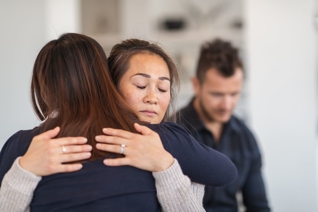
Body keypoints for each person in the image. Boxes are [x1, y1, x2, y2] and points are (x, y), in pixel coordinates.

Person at [0, 34, 237, 211]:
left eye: (163, 88)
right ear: (109, 85)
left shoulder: (22, 145)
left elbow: (225, 172)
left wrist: (166, 164)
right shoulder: (158, 137)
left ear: (42, 89)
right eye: (140, 85)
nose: (152, 97)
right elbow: (224, 173)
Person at [176, 39, 271, 211]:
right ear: (196, 85)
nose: (227, 105)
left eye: (234, 94)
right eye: (217, 94)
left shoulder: (245, 137)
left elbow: (259, 206)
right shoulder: (173, 131)